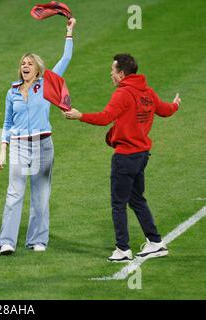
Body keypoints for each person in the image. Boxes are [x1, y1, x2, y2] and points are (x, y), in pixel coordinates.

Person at [64, 53, 181, 262]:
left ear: (121, 73)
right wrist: (176, 105)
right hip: (141, 155)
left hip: (125, 157)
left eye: (112, 70)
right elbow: (164, 110)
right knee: (136, 199)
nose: (110, 74)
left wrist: (79, 116)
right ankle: (155, 242)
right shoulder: (147, 92)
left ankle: (122, 249)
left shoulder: (123, 93)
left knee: (118, 203)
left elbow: (104, 118)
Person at [0, 18, 76, 255]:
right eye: (22, 63)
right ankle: (7, 241)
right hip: (19, 146)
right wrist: (2, 150)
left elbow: (66, 59)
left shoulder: (47, 83)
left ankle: (37, 239)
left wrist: (69, 33)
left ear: (38, 68)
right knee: (14, 194)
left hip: (43, 145)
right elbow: (7, 123)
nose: (25, 66)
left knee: (40, 196)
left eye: (29, 63)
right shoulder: (12, 91)